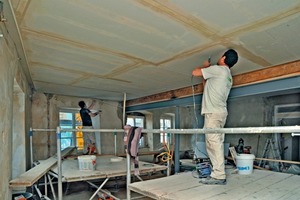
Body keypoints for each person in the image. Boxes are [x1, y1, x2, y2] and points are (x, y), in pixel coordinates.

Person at [192, 49, 238, 185]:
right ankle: (217, 172)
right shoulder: (228, 76)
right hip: (220, 112)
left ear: (223, 58)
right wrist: (207, 73)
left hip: (213, 113)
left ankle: (218, 175)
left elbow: (194, 72)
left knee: (213, 143)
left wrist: (206, 66)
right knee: (215, 143)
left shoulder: (218, 69)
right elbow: (207, 84)